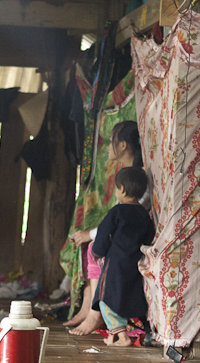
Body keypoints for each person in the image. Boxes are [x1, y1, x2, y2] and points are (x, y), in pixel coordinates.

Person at [65, 120, 145, 335]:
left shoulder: (137, 177)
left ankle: (95, 314)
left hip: (129, 243)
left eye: (111, 142)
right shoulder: (130, 175)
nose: (108, 147)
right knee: (87, 245)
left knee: (93, 249)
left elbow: (124, 220)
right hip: (124, 236)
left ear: (123, 146)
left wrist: (92, 236)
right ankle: (87, 308)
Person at [90, 166, 155, 347]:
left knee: (105, 299)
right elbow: (149, 238)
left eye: (117, 188)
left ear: (123, 189)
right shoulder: (144, 214)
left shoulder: (116, 212)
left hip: (115, 264)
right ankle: (113, 336)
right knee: (123, 297)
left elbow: (103, 234)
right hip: (133, 263)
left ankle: (123, 337)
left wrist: (97, 253)